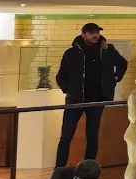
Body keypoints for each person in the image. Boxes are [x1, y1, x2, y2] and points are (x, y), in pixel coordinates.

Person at [54, 22, 128, 167]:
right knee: (66, 136)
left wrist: (115, 78)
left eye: (97, 32)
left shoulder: (107, 50)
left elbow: (122, 64)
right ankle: (59, 170)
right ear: (83, 34)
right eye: (92, 32)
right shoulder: (72, 53)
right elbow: (61, 75)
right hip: (75, 100)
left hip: (97, 99)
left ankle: (88, 170)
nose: (96, 35)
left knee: (92, 136)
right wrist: (68, 89)